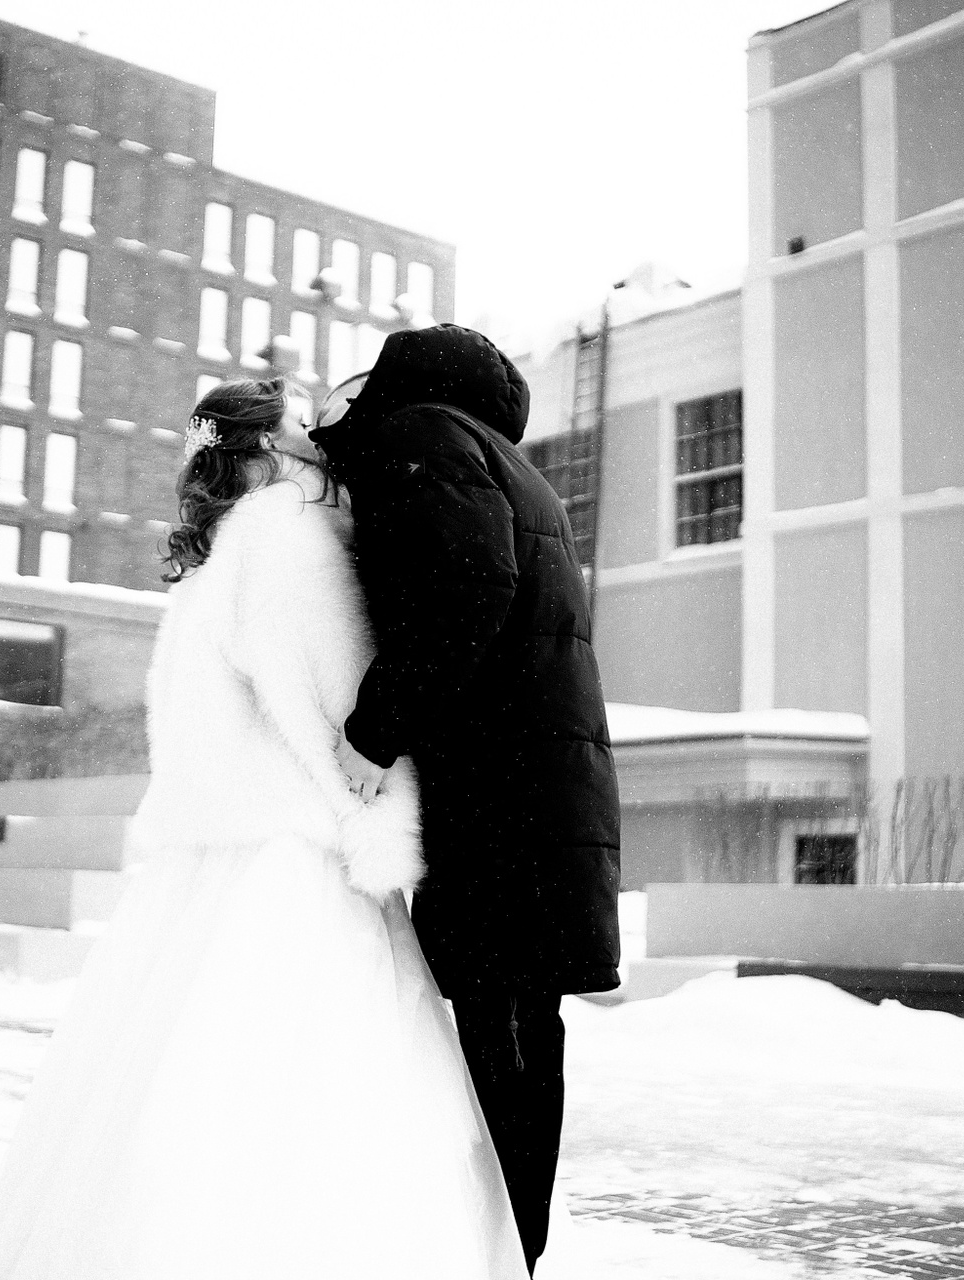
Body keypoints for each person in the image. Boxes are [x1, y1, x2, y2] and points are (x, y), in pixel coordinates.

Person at [0, 376, 529, 1280]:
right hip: (293, 856)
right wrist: (374, 815)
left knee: (175, 1076)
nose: (321, 430)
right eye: (300, 418)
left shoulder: (220, 555)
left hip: (217, 855)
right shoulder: (289, 535)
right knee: (305, 1088)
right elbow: (319, 699)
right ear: (265, 445)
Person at [310, 324, 623, 1274]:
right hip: (536, 797)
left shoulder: (424, 437)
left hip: (502, 808)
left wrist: (375, 728)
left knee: (502, 1052)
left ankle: (502, 1257)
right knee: (521, 1047)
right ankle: (508, 1253)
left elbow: (467, 588)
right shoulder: (504, 461)